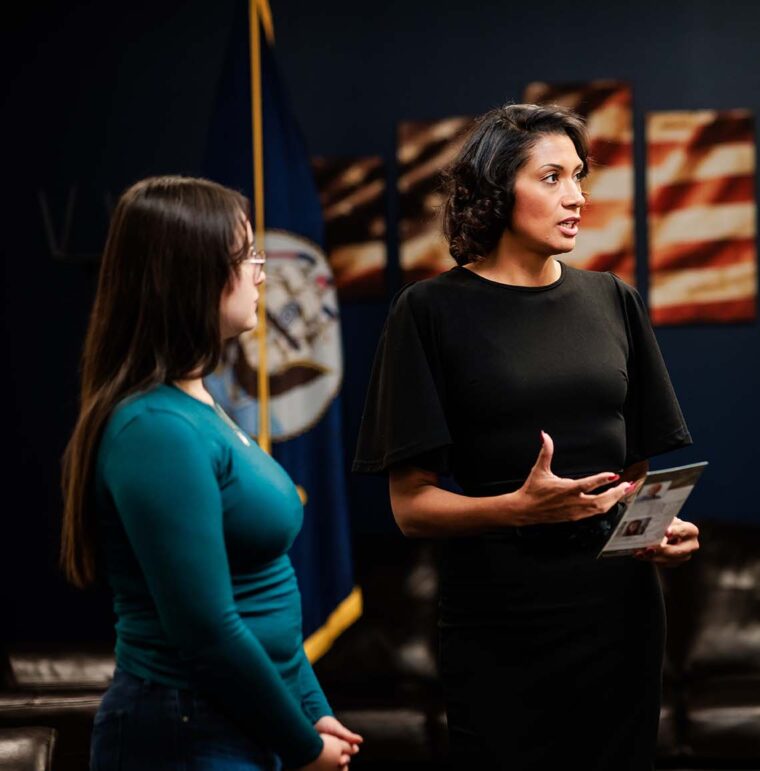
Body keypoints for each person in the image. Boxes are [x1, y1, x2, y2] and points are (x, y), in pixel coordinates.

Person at [352, 104, 699, 770]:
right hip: (499, 622)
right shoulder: (428, 312)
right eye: (552, 177)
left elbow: (634, 477)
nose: (576, 196)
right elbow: (410, 507)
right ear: (494, 190)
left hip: (619, 617)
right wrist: (518, 508)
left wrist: (659, 529)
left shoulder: (612, 299)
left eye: (579, 176)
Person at [60, 176, 362, 770]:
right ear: (189, 273)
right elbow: (207, 630)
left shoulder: (201, 406)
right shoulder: (153, 428)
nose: (262, 273)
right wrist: (301, 744)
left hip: (233, 720)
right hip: (184, 728)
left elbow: (265, 585)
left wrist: (310, 707)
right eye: (246, 255)